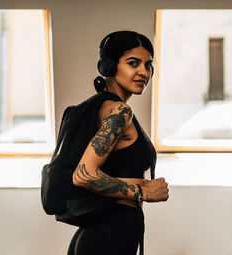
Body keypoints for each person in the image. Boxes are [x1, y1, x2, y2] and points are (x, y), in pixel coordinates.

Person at [67, 31, 169, 255]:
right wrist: (143, 192)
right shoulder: (119, 112)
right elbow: (84, 174)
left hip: (100, 233)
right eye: (133, 63)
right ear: (109, 67)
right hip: (109, 234)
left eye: (148, 65)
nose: (144, 72)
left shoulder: (102, 107)